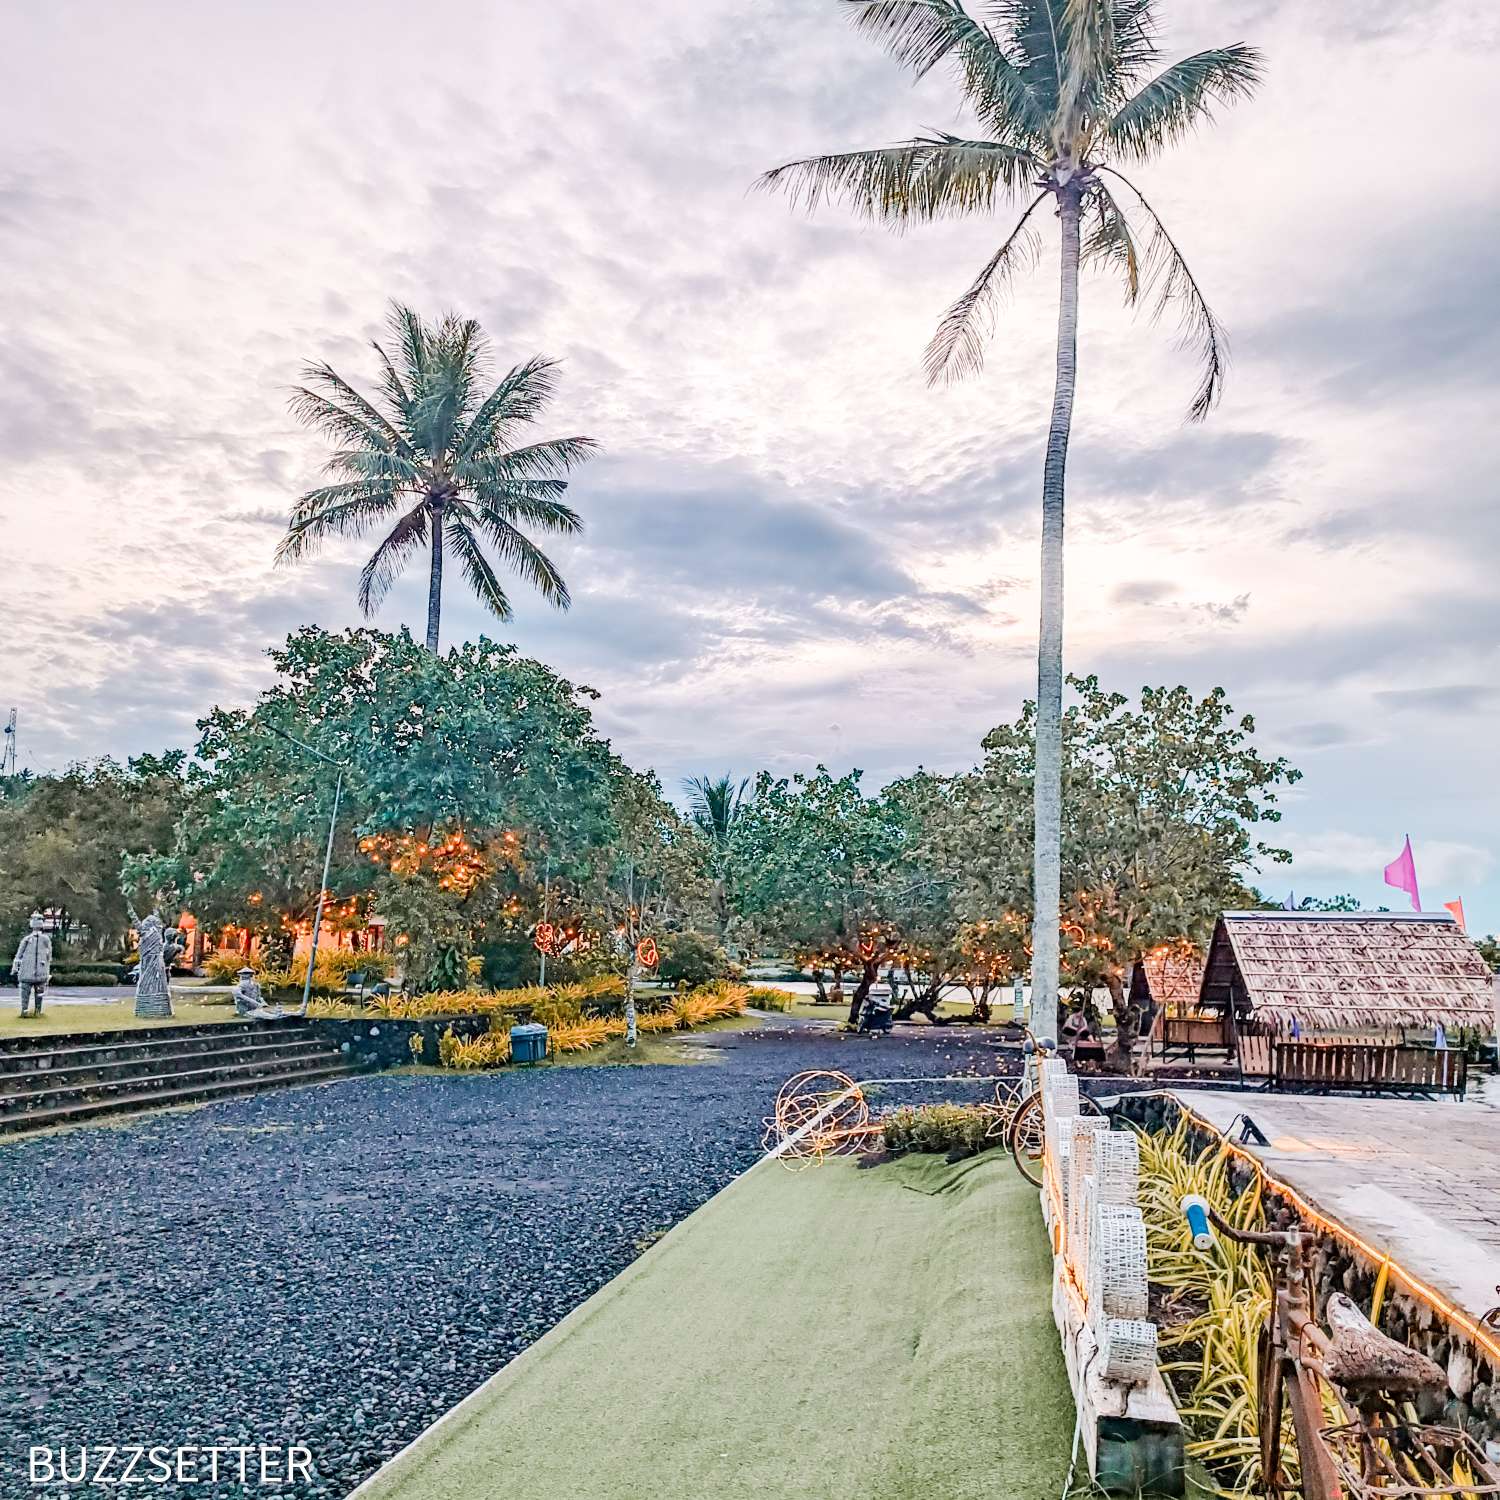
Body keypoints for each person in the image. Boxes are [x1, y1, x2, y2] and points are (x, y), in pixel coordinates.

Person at [12, 912, 52, 1018]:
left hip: (41, 971)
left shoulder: (45, 939)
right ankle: (24, 1011)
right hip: (27, 971)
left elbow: (49, 956)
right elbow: (19, 954)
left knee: (39, 993)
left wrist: (47, 971)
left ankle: (38, 1011)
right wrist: (15, 966)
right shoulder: (27, 939)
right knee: (25, 992)